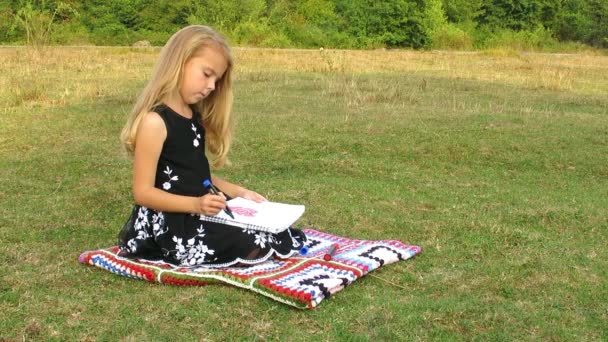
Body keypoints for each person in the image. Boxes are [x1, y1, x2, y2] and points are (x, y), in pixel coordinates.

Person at [117, 25, 306, 267]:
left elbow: (196, 176)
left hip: (199, 209)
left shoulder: (193, 116)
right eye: (207, 74)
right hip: (170, 224)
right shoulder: (155, 122)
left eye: (216, 79)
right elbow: (142, 193)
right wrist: (195, 205)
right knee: (253, 241)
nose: (211, 86)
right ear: (180, 61)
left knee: (275, 233)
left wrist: (239, 192)